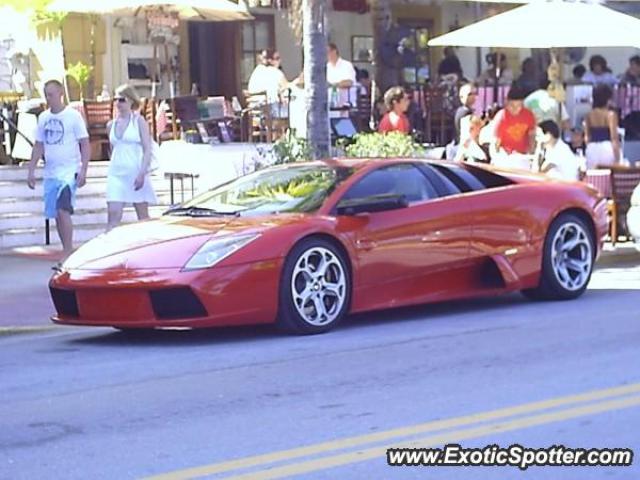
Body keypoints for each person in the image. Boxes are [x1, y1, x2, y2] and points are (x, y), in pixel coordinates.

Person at [27, 79, 90, 267]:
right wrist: (31, 169)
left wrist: (83, 169)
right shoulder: (44, 118)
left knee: (64, 210)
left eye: (52, 94)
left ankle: (68, 251)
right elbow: (39, 145)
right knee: (56, 213)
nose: (49, 98)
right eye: (46, 94)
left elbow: (84, 143)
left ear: (60, 93)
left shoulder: (73, 117)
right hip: (51, 172)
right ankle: (65, 249)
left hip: (68, 170)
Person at [106, 84, 157, 231]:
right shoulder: (111, 125)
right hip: (117, 173)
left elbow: (147, 148)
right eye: (115, 100)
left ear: (130, 101)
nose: (118, 103)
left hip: (136, 172)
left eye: (121, 100)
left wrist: (142, 172)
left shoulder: (138, 121)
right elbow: (112, 150)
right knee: (113, 214)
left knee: (142, 216)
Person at [584, 83, 620, 168]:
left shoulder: (589, 114)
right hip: (607, 147)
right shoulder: (611, 115)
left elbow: (587, 137)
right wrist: (617, 157)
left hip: (592, 147)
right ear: (608, 99)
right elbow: (614, 138)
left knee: (593, 177)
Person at [493, 86, 537, 155]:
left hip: (523, 155)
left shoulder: (528, 115)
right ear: (506, 103)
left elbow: (532, 135)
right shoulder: (501, 117)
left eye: (518, 106)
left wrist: (532, 152)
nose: (515, 109)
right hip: (505, 155)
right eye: (512, 105)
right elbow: (496, 141)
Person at [248, 49, 289, 114]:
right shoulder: (275, 72)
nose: (280, 61)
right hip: (271, 112)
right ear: (270, 60)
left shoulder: (257, 71)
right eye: (277, 58)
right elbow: (287, 86)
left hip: (255, 111)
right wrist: (298, 81)